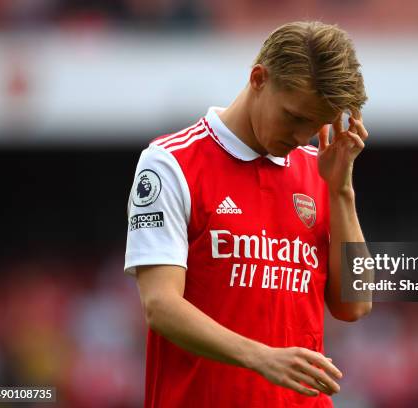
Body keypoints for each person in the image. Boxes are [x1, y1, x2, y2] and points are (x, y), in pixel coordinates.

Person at [124, 20, 372, 407]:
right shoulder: (171, 163)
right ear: (258, 78)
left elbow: (355, 304)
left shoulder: (319, 171)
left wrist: (341, 190)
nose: (300, 137)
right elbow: (160, 306)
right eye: (293, 117)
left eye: (315, 124)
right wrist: (262, 358)